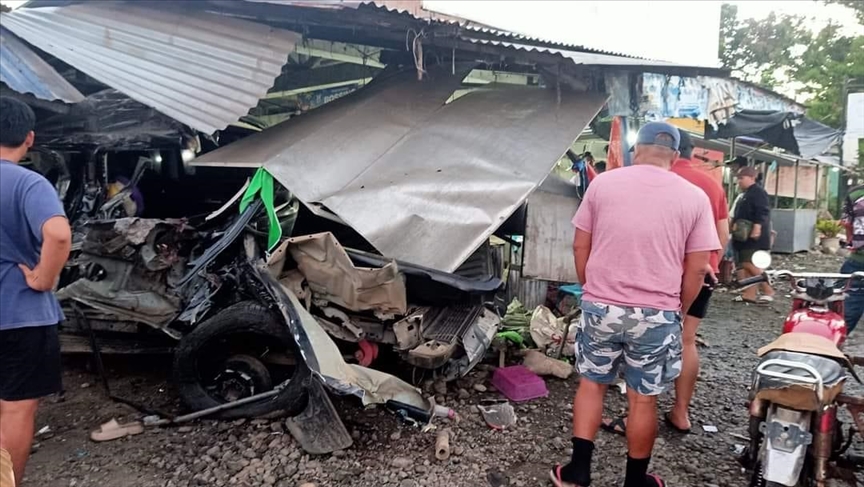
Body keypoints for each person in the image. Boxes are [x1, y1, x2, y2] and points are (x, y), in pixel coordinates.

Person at [550, 122, 720, 487]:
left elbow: (580, 245)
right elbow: (697, 268)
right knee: (643, 399)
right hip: (658, 313)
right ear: (675, 155)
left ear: (636, 149)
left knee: (591, 385)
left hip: (602, 306)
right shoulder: (694, 197)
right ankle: (635, 482)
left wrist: (591, 289)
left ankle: (577, 472)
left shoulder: (603, 184)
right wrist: (678, 308)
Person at [600, 130, 730, 435]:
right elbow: (722, 235)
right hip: (701, 274)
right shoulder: (711, 185)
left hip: (655, 273)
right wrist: (710, 264)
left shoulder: (645, 178)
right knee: (687, 340)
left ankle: (637, 416)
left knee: (641, 340)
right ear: (688, 152)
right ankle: (681, 412)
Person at [0, 96, 71, 482]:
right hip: (20, 316)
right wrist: (43, 278)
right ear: (29, 138)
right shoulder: (29, 183)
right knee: (14, 409)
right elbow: (58, 234)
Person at [731, 166, 774, 304]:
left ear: (752, 178)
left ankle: (768, 289)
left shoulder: (758, 192)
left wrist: (757, 227)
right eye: (738, 178)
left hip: (753, 236)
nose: (739, 181)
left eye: (741, 178)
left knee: (749, 263)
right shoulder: (746, 193)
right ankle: (749, 294)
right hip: (743, 235)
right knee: (745, 265)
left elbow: (762, 211)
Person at [840, 183, 864, 333]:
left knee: (845, 317)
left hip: (859, 261)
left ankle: (830, 346)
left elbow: (847, 223)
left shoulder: (856, 193)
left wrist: (852, 242)